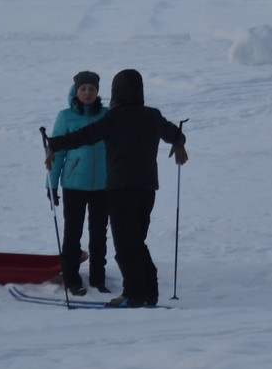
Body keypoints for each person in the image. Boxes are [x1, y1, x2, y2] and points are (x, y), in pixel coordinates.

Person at [45, 68, 187, 308]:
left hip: (121, 190)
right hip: (147, 189)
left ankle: (133, 294)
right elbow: (174, 133)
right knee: (137, 241)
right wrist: (180, 143)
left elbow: (84, 136)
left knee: (125, 246)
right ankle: (149, 292)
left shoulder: (113, 118)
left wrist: (53, 144)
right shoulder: (152, 115)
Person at [48, 71, 111, 295]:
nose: (87, 93)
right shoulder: (65, 117)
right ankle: (72, 278)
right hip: (74, 185)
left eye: (92, 89)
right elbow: (56, 151)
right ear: (76, 91)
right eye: (83, 89)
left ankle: (98, 278)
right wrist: (51, 184)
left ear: (97, 92)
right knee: (72, 233)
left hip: (103, 186)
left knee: (99, 233)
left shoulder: (107, 114)